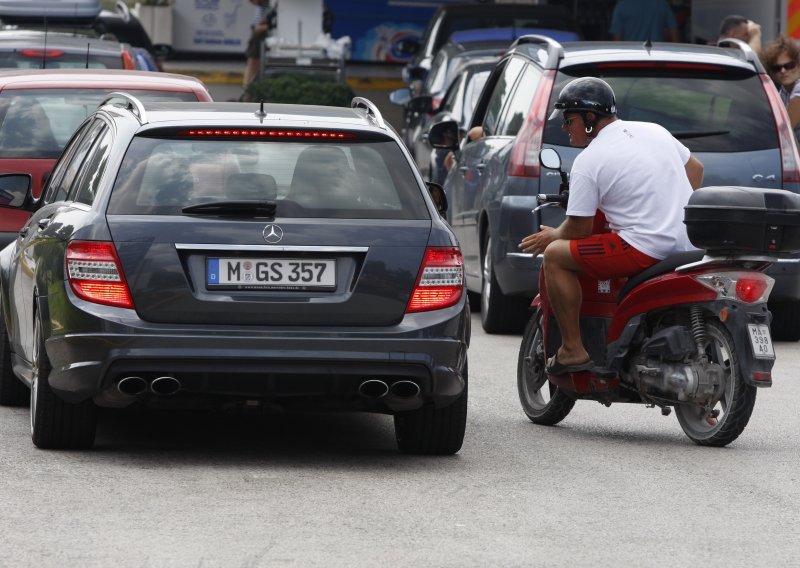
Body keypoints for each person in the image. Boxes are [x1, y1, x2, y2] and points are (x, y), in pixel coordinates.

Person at [518, 77, 704, 376]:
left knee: (555, 254)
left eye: (570, 120)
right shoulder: (654, 131)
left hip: (643, 249)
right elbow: (695, 168)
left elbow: (578, 229)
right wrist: (671, 209)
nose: (565, 128)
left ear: (590, 119)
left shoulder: (590, 160)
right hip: (688, 245)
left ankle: (573, 350)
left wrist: (553, 234)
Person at [762, 34, 800, 141]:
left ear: (798, 65)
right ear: (772, 73)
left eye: (789, 66)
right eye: (777, 68)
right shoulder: (783, 90)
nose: (783, 71)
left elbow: (782, 133)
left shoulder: (798, 88)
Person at [609, 0, 679, 42]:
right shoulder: (661, 3)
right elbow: (674, 30)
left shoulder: (622, 6)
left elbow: (617, 38)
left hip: (631, 56)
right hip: (657, 56)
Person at [243, 0, 274, 89]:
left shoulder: (268, 6)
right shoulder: (263, 6)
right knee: (253, 64)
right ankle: (249, 89)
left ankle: (249, 89)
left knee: (254, 64)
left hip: (261, 32)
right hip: (258, 32)